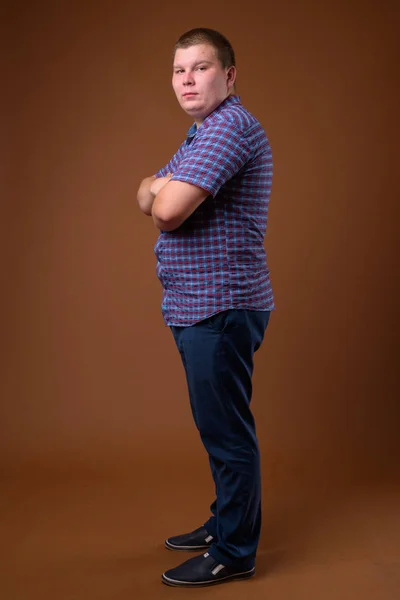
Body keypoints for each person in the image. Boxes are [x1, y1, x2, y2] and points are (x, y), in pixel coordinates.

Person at [137, 27, 275, 588]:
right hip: (197, 305)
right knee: (215, 424)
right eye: (179, 70)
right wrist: (158, 185)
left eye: (200, 68)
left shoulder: (229, 128)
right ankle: (226, 521)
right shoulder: (201, 133)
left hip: (220, 307)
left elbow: (163, 207)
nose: (188, 80)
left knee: (226, 431)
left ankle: (235, 550)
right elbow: (142, 190)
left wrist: (160, 185)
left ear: (229, 75)